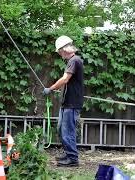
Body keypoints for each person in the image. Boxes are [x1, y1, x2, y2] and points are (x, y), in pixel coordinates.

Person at [43, 35, 84, 167]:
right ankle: (68, 154)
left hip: (72, 104)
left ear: (64, 49)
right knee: (62, 129)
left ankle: (72, 159)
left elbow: (65, 79)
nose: (60, 55)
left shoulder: (74, 60)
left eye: (60, 52)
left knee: (68, 131)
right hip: (66, 103)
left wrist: (51, 88)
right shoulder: (72, 61)